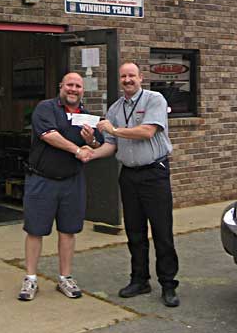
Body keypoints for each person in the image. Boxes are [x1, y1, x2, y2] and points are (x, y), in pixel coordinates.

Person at [87, 61, 180, 308]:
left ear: (141, 77)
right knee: (135, 232)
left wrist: (115, 130)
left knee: (162, 231)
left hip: (155, 173)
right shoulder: (115, 108)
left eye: (132, 76)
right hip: (128, 175)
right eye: (123, 76)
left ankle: (168, 284)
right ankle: (139, 279)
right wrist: (89, 151)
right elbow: (110, 145)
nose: (128, 80)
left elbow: (147, 131)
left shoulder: (154, 99)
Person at [17, 72, 98, 301]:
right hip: (42, 179)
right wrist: (77, 149)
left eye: (78, 86)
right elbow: (49, 135)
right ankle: (31, 279)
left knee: (69, 230)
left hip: (72, 180)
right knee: (35, 230)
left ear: (83, 90)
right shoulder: (46, 108)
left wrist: (90, 140)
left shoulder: (86, 115)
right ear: (61, 86)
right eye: (69, 85)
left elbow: (96, 143)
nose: (73, 89)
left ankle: (65, 278)